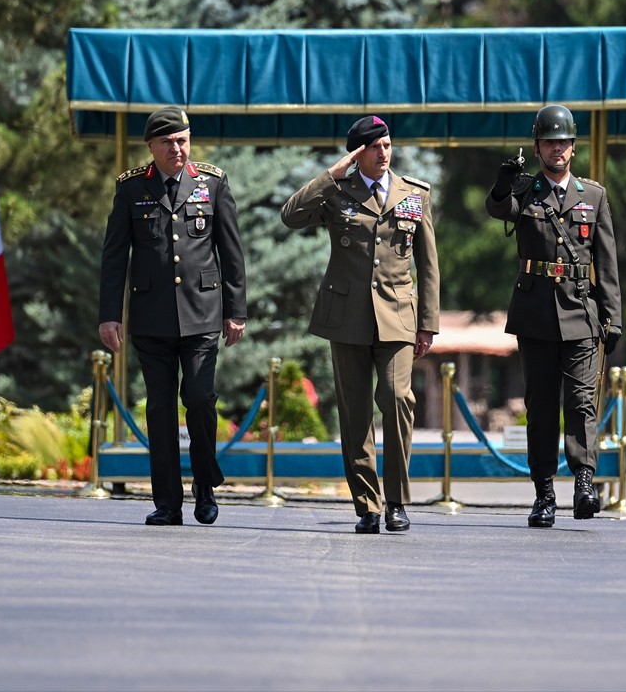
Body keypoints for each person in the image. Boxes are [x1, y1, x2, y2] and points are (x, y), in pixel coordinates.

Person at [280, 115, 440, 534]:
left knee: (397, 397)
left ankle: (397, 501)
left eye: (387, 145)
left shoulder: (413, 194)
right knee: (354, 415)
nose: (383, 153)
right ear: (357, 154)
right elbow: (291, 216)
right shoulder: (338, 193)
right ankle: (368, 505)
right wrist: (331, 175)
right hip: (346, 318)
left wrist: (428, 324)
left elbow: (428, 265)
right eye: (374, 147)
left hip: (398, 318)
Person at [98, 107, 247, 527]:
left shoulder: (212, 183)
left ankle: (204, 484)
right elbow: (114, 257)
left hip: (202, 315)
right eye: (168, 142)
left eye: (182, 140)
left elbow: (231, 253)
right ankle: (167, 502)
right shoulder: (131, 189)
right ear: (151, 147)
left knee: (199, 400)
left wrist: (235, 311)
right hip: (151, 318)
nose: (177, 148)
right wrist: (109, 315)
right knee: (160, 408)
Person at [485, 104, 623, 528]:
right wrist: (502, 182)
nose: (556, 149)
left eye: (563, 142)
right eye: (549, 141)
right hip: (536, 313)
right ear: (538, 147)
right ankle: (544, 493)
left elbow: (608, 260)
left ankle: (584, 482)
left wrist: (613, 316)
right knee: (541, 406)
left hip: (581, 311)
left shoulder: (593, 196)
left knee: (582, 401)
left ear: (573, 147)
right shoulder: (526, 191)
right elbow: (497, 209)